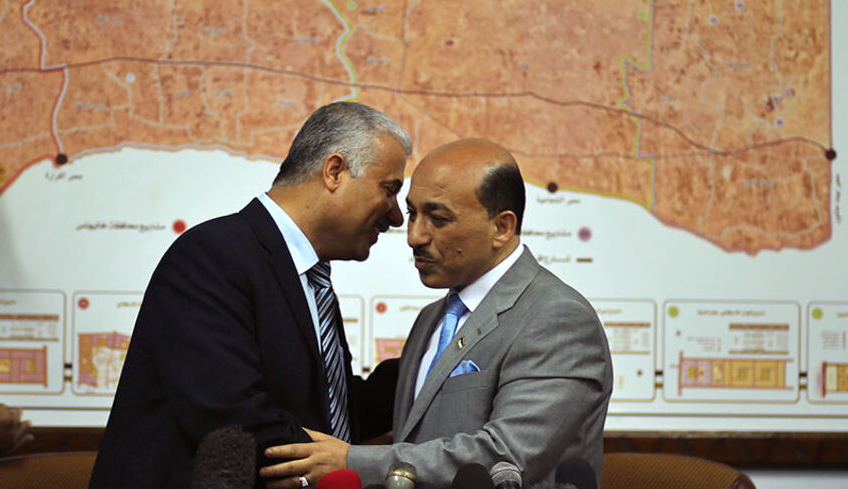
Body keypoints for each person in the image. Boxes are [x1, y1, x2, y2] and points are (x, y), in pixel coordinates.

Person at [89, 102, 411, 489]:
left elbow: (324, 409)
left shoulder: (308, 275)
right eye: (389, 190)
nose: (396, 217)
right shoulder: (213, 256)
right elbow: (231, 416)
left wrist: (435, 359)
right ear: (335, 171)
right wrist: (351, 466)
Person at [260, 138, 613, 488]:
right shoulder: (432, 318)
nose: (414, 236)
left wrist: (351, 461)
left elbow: (507, 455)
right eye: (413, 213)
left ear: (502, 228)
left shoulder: (558, 318)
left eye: (439, 219)